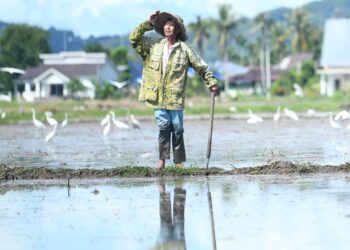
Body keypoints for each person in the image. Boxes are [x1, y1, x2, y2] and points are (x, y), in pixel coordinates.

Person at [129, 11, 219, 170]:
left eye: (171, 25)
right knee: (163, 128)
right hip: (158, 96)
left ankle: (178, 162)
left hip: (175, 97)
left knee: (177, 128)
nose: (168, 27)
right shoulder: (153, 45)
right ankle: (162, 161)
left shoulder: (185, 49)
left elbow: (201, 67)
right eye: (166, 24)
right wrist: (148, 23)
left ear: (177, 29)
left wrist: (211, 82)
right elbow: (133, 39)